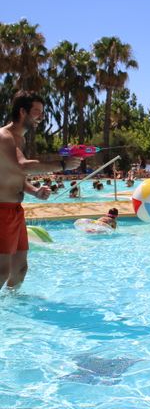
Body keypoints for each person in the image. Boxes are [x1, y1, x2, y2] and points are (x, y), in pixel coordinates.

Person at [0, 91, 81, 289]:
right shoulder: (4, 137)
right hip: (2, 211)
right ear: (22, 112)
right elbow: (23, 166)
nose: (42, 117)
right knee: (2, 271)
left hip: (15, 211)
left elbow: (15, 175)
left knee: (20, 269)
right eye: (37, 112)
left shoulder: (19, 139)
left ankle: (12, 305)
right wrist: (62, 165)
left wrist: (34, 191)